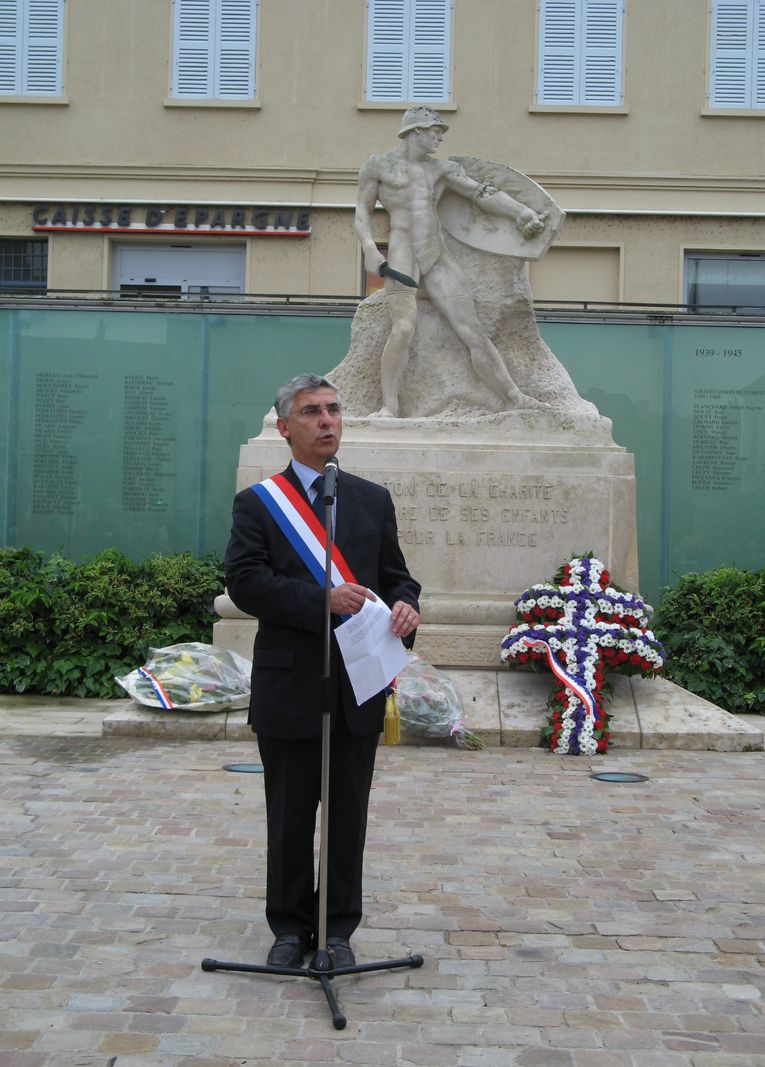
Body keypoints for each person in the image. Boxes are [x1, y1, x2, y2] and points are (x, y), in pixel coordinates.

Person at [224, 373, 421, 969]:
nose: (327, 420)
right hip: (290, 684)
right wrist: (322, 601)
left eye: (334, 410)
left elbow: (396, 577)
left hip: (358, 684)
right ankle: (288, 929)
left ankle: (336, 932)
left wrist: (410, 606)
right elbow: (246, 582)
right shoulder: (259, 504)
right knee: (288, 816)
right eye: (312, 412)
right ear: (285, 427)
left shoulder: (370, 499)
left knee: (346, 816)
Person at [355, 106, 549, 417]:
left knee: (472, 331)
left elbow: (481, 193)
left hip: (436, 255)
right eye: (436, 132)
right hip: (402, 256)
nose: (439, 139)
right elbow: (362, 211)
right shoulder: (379, 166)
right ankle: (389, 406)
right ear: (417, 131)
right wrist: (368, 247)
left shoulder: (440, 170)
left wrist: (521, 213)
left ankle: (513, 397)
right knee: (403, 328)